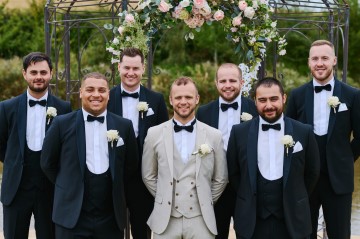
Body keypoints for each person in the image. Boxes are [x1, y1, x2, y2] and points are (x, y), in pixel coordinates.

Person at [40, 72, 139, 239]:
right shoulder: (61, 124)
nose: (96, 95)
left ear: (108, 94)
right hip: (71, 217)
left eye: (101, 90)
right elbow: (47, 163)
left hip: (110, 217)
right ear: (81, 92)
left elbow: (130, 165)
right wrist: (67, 183)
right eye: (90, 89)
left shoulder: (124, 126)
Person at [227, 77, 320, 238]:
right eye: (262, 100)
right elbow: (234, 173)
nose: (269, 105)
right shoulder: (239, 132)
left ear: (284, 98)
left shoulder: (303, 132)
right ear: (255, 101)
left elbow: (312, 172)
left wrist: (295, 194)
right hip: (252, 222)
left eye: (274, 99)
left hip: (293, 220)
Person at [286, 39, 360, 238]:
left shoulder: (352, 95)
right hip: (304, 179)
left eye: (325, 58)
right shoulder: (297, 95)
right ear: (309, 62)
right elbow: (287, 135)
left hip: (338, 179)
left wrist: (344, 158)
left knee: (340, 233)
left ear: (334, 60)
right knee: (303, 233)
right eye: (315, 58)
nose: (320, 63)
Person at [142, 76, 228, 238]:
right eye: (178, 97)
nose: (183, 101)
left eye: (188, 97)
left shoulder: (214, 135)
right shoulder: (154, 134)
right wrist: (165, 196)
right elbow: (148, 175)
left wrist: (204, 199)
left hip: (201, 219)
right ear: (171, 100)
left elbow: (221, 178)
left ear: (197, 99)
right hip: (166, 220)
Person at [0, 52, 71, 239]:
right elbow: (1, 144)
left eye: (43, 72)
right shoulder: (6, 108)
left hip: (49, 189)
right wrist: (14, 160)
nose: (38, 77)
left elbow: (65, 147)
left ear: (51, 73)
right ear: (24, 74)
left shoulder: (63, 108)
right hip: (16, 189)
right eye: (33, 72)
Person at [107, 47, 168, 239]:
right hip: (113, 173)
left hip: (143, 175)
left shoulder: (156, 100)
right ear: (119, 67)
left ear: (143, 68)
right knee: (112, 226)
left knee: (142, 229)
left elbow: (164, 138)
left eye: (135, 68)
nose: (131, 73)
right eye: (126, 68)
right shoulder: (106, 97)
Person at [196, 63, 257, 239]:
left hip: (246, 185)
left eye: (232, 80)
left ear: (242, 82)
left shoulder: (254, 109)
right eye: (223, 81)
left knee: (248, 234)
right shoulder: (204, 112)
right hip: (215, 186)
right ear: (216, 83)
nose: (227, 85)